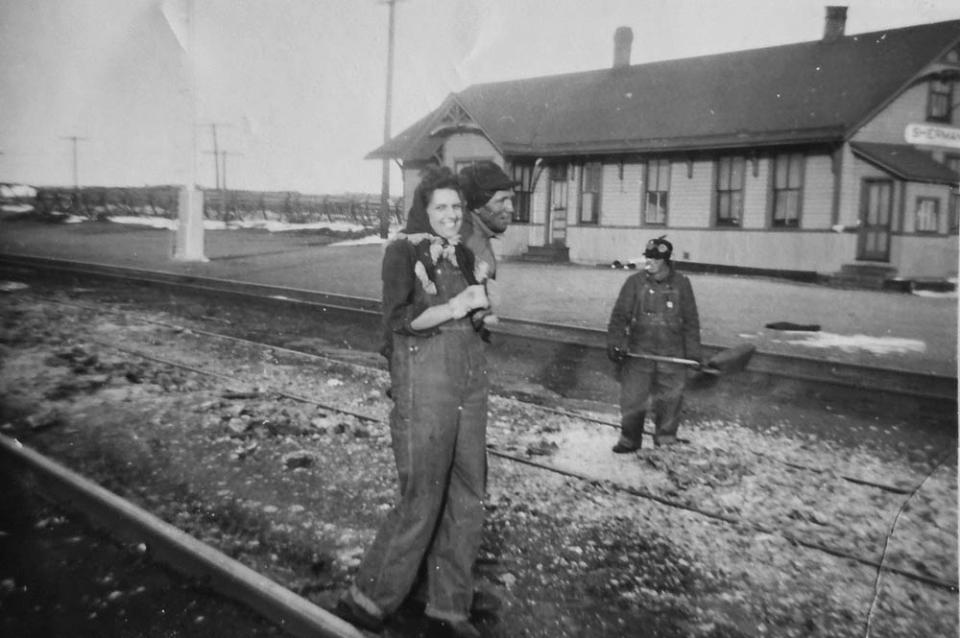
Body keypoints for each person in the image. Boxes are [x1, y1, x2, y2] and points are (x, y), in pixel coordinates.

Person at [335, 166, 491, 638]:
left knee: (468, 495)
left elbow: (472, 319)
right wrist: (455, 307)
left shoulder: (463, 253)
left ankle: (448, 607)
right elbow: (399, 319)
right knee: (422, 494)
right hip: (424, 380)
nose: (452, 215)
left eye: (457, 208)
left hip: (469, 378)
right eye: (442, 207)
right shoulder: (402, 252)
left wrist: (483, 311)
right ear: (424, 210)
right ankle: (370, 600)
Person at [605, 235, 702, 452]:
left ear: (666, 261)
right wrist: (615, 343)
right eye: (647, 258)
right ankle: (629, 440)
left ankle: (665, 441)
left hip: (672, 354)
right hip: (639, 352)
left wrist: (694, 354)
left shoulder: (682, 284)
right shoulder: (634, 283)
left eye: (655, 260)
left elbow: (691, 322)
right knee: (632, 398)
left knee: (670, 400)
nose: (649, 263)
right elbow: (619, 316)